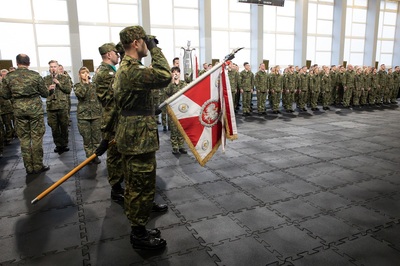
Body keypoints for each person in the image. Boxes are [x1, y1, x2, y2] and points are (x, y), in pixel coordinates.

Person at [113, 25, 171, 250]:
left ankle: (140, 227)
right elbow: (165, 75)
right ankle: (138, 236)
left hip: (136, 133)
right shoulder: (132, 70)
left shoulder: (128, 68)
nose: (148, 45)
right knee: (139, 185)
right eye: (145, 41)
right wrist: (156, 49)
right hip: (137, 138)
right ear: (137, 43)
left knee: (140, 183)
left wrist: (148, 109)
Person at [2, 54, 49, 174]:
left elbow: (5, 95)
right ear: (28, 63)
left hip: (18, 110)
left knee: (24, 138)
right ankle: (38, 165)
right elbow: (44, 93)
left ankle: (28, 166)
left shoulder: (9, 77)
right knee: (37, 137)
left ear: (17, 63)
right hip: (35, 110)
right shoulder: (35, 75)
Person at [93, 42, 125, 202]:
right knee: (114, 155)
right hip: (113, 120)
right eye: (116, 53)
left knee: (120, 154)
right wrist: (106, 134)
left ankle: (120, 183)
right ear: (108, 54)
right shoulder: (105, 73)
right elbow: (109, 101)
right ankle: (116, 188)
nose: (118, 55)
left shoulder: (112, 71)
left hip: (118, 118)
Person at [74, 67, 102, 164]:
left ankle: (95, 156)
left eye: (87, 73)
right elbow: (81, 95)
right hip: (83, 116)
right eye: (83, 73)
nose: (85, 74)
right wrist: (85, 84)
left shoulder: (94, 85)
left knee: (96, 138)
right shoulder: (77, 86)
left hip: (96, 115)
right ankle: (89, 156)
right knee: (87, 138)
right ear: (79, 75)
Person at [43, 60, 72, 153]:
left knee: (64, 126)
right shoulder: (45, 79)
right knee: (54, 128)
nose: (53, 68)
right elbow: (43, 93)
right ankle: (58, 145)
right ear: (49, 68)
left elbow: (68, 90)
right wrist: (48, 89)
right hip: (51, 107)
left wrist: (59, 83)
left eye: (54, 66)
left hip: (62, 106)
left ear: (57, 67)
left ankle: (64, 144)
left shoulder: (64, 78)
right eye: (51, 67)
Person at [165, 67, 188, 155]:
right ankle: (175, 147)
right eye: (174, 72)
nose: (176, 74)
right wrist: (172, 81)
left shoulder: (183, 83)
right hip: (173, 109)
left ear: (180, 73)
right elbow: (167, 93)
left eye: (177, 72)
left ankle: (181, 146)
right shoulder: (170, 85)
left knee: (181, 129)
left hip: (182, 110)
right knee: (174, 130)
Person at [0, 69, 16, 144]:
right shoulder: (1, 83)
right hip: (1, 107)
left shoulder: (10, 82)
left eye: (5, 75)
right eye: (2, 75)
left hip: (8, 106)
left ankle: (9, 137)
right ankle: (5, 137)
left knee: (8, 123)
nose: (4, 76)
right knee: (3, 124)